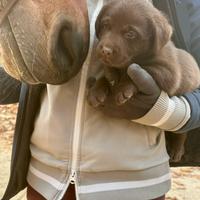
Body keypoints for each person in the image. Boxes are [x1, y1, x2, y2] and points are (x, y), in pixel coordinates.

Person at [0, 0, 200, 200]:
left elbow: (192, 80)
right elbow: (26, 75)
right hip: (45, 181)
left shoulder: (181, 4)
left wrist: (163, 110)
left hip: (134, 186)